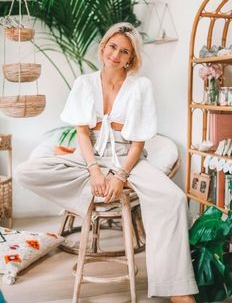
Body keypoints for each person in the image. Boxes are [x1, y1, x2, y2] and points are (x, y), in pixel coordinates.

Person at [15, 22, 198, 302]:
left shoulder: (141, 86)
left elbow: (139, 143)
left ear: (131, 58)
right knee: (26, 171)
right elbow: (82, 134)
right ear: (103, 47)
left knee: (173, 198)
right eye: (113, 47)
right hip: (91, 156)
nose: (116, 54)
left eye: (124, 51)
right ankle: (92, 192)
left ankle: (177, 289)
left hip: (128, 157)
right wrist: (96, 173)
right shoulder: (84, 83)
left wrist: (121, 175)